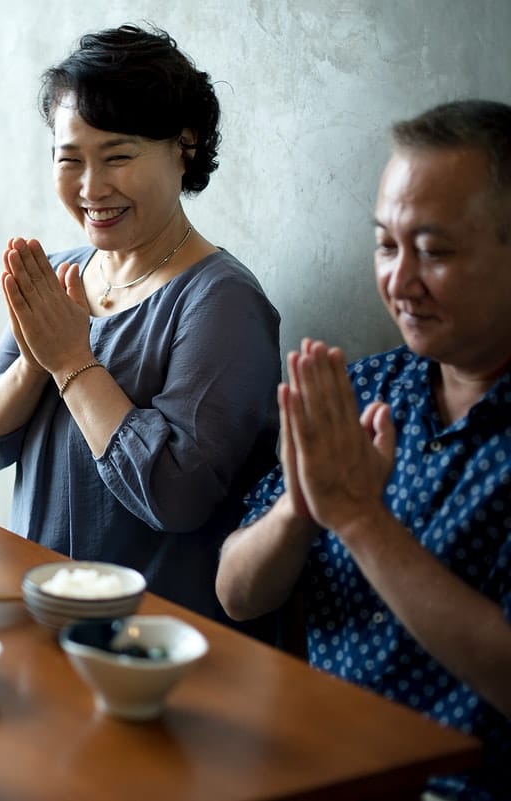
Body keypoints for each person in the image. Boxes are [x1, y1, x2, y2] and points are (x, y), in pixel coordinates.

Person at [215, 99, 511, 801]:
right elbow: (236, 591)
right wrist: (299, 508)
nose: (399, 282)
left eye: (434, 251)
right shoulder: (359, 390)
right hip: (308, 761)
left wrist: (359, 518)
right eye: (386, 244)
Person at [0, 24, 281, 625]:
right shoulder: (59, 272)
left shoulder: (222, 301)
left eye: (118, 156)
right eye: (69, 159)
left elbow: (178, 494)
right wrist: (35, 361)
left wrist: (72, 363)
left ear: (185, 144)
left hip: (152, 645)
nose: (91, 187)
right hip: (39, 610)